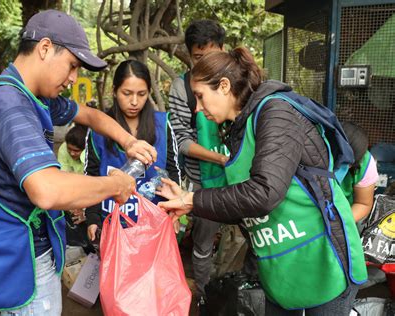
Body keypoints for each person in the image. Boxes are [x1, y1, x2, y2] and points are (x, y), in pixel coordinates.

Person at [0, 10, 156, 315]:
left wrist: (129, 141)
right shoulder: (8, 104)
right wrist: (116, 185)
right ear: (44, 48)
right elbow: (47, 190)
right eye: (72, 66)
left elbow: (90, 115)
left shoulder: (32, 96)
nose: (73, 78)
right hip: (21, 263)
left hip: (28, 252)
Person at [157, 47, 368, 315]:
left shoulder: (276, 112)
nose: (197, 108)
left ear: (224, 86)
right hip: (282, 264)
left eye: (200, 97)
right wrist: (191, 203)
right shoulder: (237, 128)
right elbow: (243, 205)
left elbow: (264, 193)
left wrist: (193, 199)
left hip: (321, 257)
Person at [85, 59, 181, 241]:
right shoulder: (98, 130)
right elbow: (91, 176)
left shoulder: (162, 124)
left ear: (149, 93)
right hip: (113, 225)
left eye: (142, 94)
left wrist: (174, 210)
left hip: (154, 224)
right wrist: (92, 219)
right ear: (114, 91)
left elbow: (173, 171)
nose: (134, 102)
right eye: (127, 93)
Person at [168, 19, 228, 300]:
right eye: (197, 58)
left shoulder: (234, 82)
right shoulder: (181, 89)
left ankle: (242, 289)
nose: (204, 65)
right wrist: (221, 159)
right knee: (203, 244)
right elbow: (182, 141)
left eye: (211, 56)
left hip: (240, 180)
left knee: (253, 238)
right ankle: (204, 296)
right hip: (201, 181)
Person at [340, 121, 379, 223]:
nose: (344, 168)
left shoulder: (365, 162)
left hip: (341, 215)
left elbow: (363, 203)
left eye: (349, 164)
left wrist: (341, 223)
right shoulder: (312, 152)